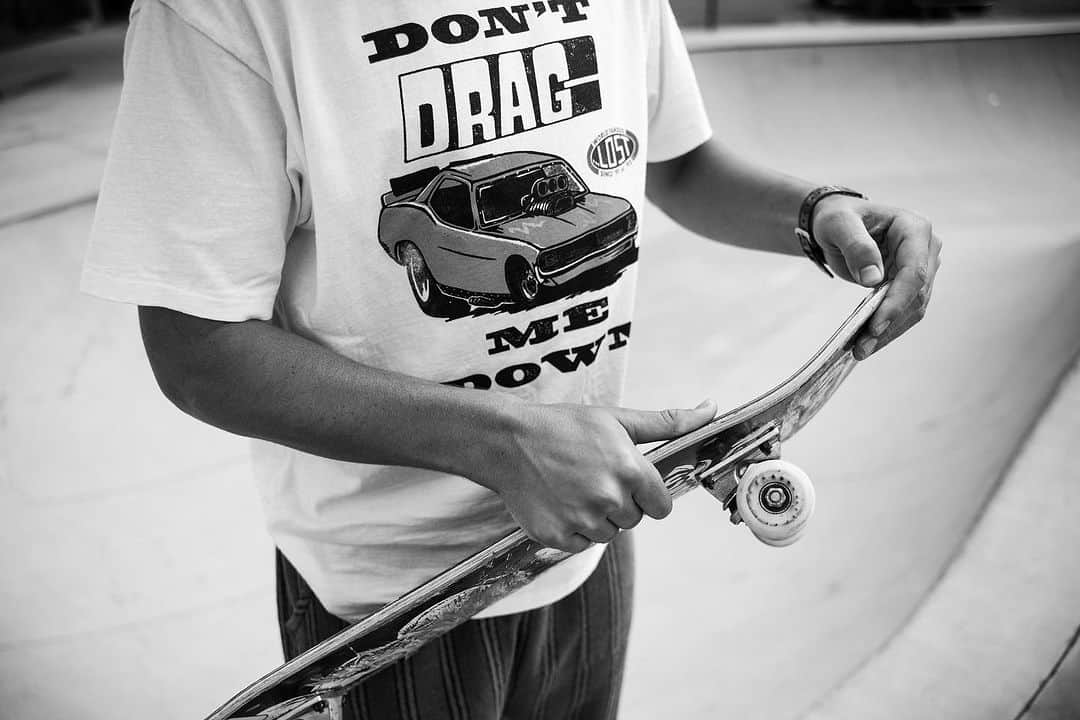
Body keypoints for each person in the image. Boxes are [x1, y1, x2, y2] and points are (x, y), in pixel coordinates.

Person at [82, 1, 941, 718]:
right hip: (391, 603)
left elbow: (675, 164)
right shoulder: (221, 13)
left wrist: (819, 211)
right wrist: (505, 441)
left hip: (593, 539)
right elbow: (197, 347)